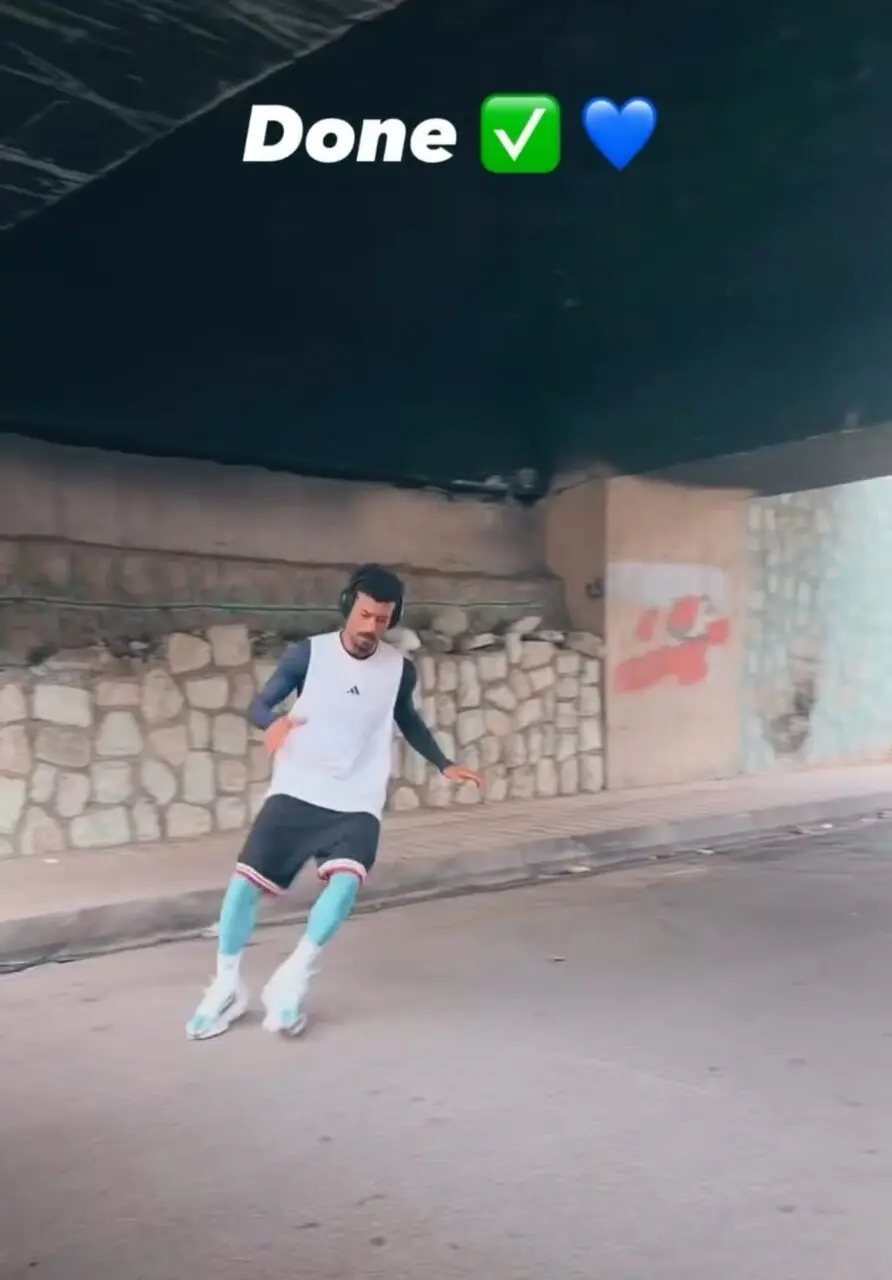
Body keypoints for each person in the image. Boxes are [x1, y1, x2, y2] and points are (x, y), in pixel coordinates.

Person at [186, 563, 482, 1040]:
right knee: (243, 887)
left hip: (357, 798)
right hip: (298, 787)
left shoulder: (398, 670)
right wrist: (273, 724)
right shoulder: (308, 655)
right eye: (364, 615)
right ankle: (226, 986)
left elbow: (407, 719)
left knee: (345, 884)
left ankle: (292, 977)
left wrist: (444, 764)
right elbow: (259, 705)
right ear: (348, 607)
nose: (370, 627)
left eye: (381, 619)